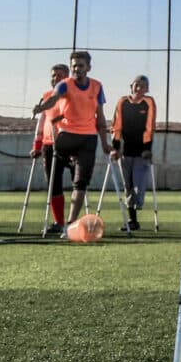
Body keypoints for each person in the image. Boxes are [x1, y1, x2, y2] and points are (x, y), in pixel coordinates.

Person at [32, 50, 116, 233]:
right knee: (54, 178)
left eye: (80, 65)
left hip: (89, 138)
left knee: (81, 183)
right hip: (66, 136)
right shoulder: (65, 85)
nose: (77, 69)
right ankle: (58, 221)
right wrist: (41, 107)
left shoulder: (97, 86)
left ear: (88, 67)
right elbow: (53, 99)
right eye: (74, 66)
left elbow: (100, 117)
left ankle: (70, 224)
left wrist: (104, 143)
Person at [111, 75, 157, 231]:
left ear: (147, 89)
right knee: (128, 185)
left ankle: (137, 206)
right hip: (125, 151)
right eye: (137, 85)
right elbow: (117, 126)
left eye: (143, 86)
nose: (139, 88)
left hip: (141, 152)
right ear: (131, 86)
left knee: (138, 184)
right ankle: (132, 220)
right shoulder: (122, 102)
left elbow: (149, 127)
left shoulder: (149, 102)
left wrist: (147, 149)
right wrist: (116, 148)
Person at [30, 63, 72, 233]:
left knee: (78, 181)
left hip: (70, 142)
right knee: (53, 183)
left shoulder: (73, 94)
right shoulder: (46, 96)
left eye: (60, 75)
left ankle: (75, 221)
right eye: (54, 75)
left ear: (67, 77)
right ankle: (58, 222)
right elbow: (42, 122)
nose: (56, 78)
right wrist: (37, 145)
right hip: (49, 144)